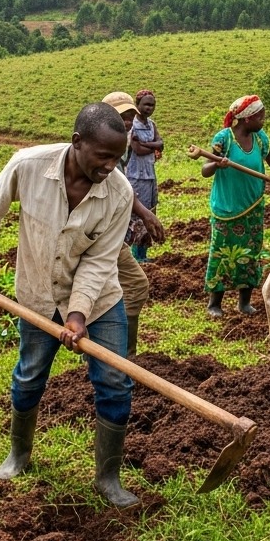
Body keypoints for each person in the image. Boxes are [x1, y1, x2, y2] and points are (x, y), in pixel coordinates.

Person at [0, 102, 140, 508]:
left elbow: (99, 261)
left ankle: (107, 479)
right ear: (77, 143)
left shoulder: (119, 192)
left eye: (118, 157)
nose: (111, 166)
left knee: (114, 382)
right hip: (38, 295)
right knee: (29, 376)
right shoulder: (28, 165)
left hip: (99, 301)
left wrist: (78, 313)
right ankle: (19, 454)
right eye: (103, 156)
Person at [200, 94, 270, 318]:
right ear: (247, 119)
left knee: (251, 253)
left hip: (253, 206)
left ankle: (244, 302)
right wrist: (218, 164)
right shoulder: (224, 139)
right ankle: (214, 304)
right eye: (260, 117)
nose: (263, 121)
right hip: (227, 208)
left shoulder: (260, 139)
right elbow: (204, 170)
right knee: (223, 254)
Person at [101, 91, 165, 356]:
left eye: (130, 117)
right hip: (94, 236)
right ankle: (108, 351)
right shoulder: (98, 145)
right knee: (99, 292)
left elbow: (120, 184)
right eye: (122, 116)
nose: (128, 122)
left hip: (110, 235)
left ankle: (127, 355)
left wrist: (145, 213)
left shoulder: (121, 145)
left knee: (136, 286)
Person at [125, 90, 163, 263]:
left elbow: (161, 145)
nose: (149, 108)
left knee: (150, 211)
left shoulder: (151, 124)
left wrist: (145, 143)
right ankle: (134, 255)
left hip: (150, 174)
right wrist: (152, 146)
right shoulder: (132, 126)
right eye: (146, 104)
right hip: (136, 175)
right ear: (137, 105)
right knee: (138, 215)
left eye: (152, 105)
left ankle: (142, 254)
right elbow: (138, 151)